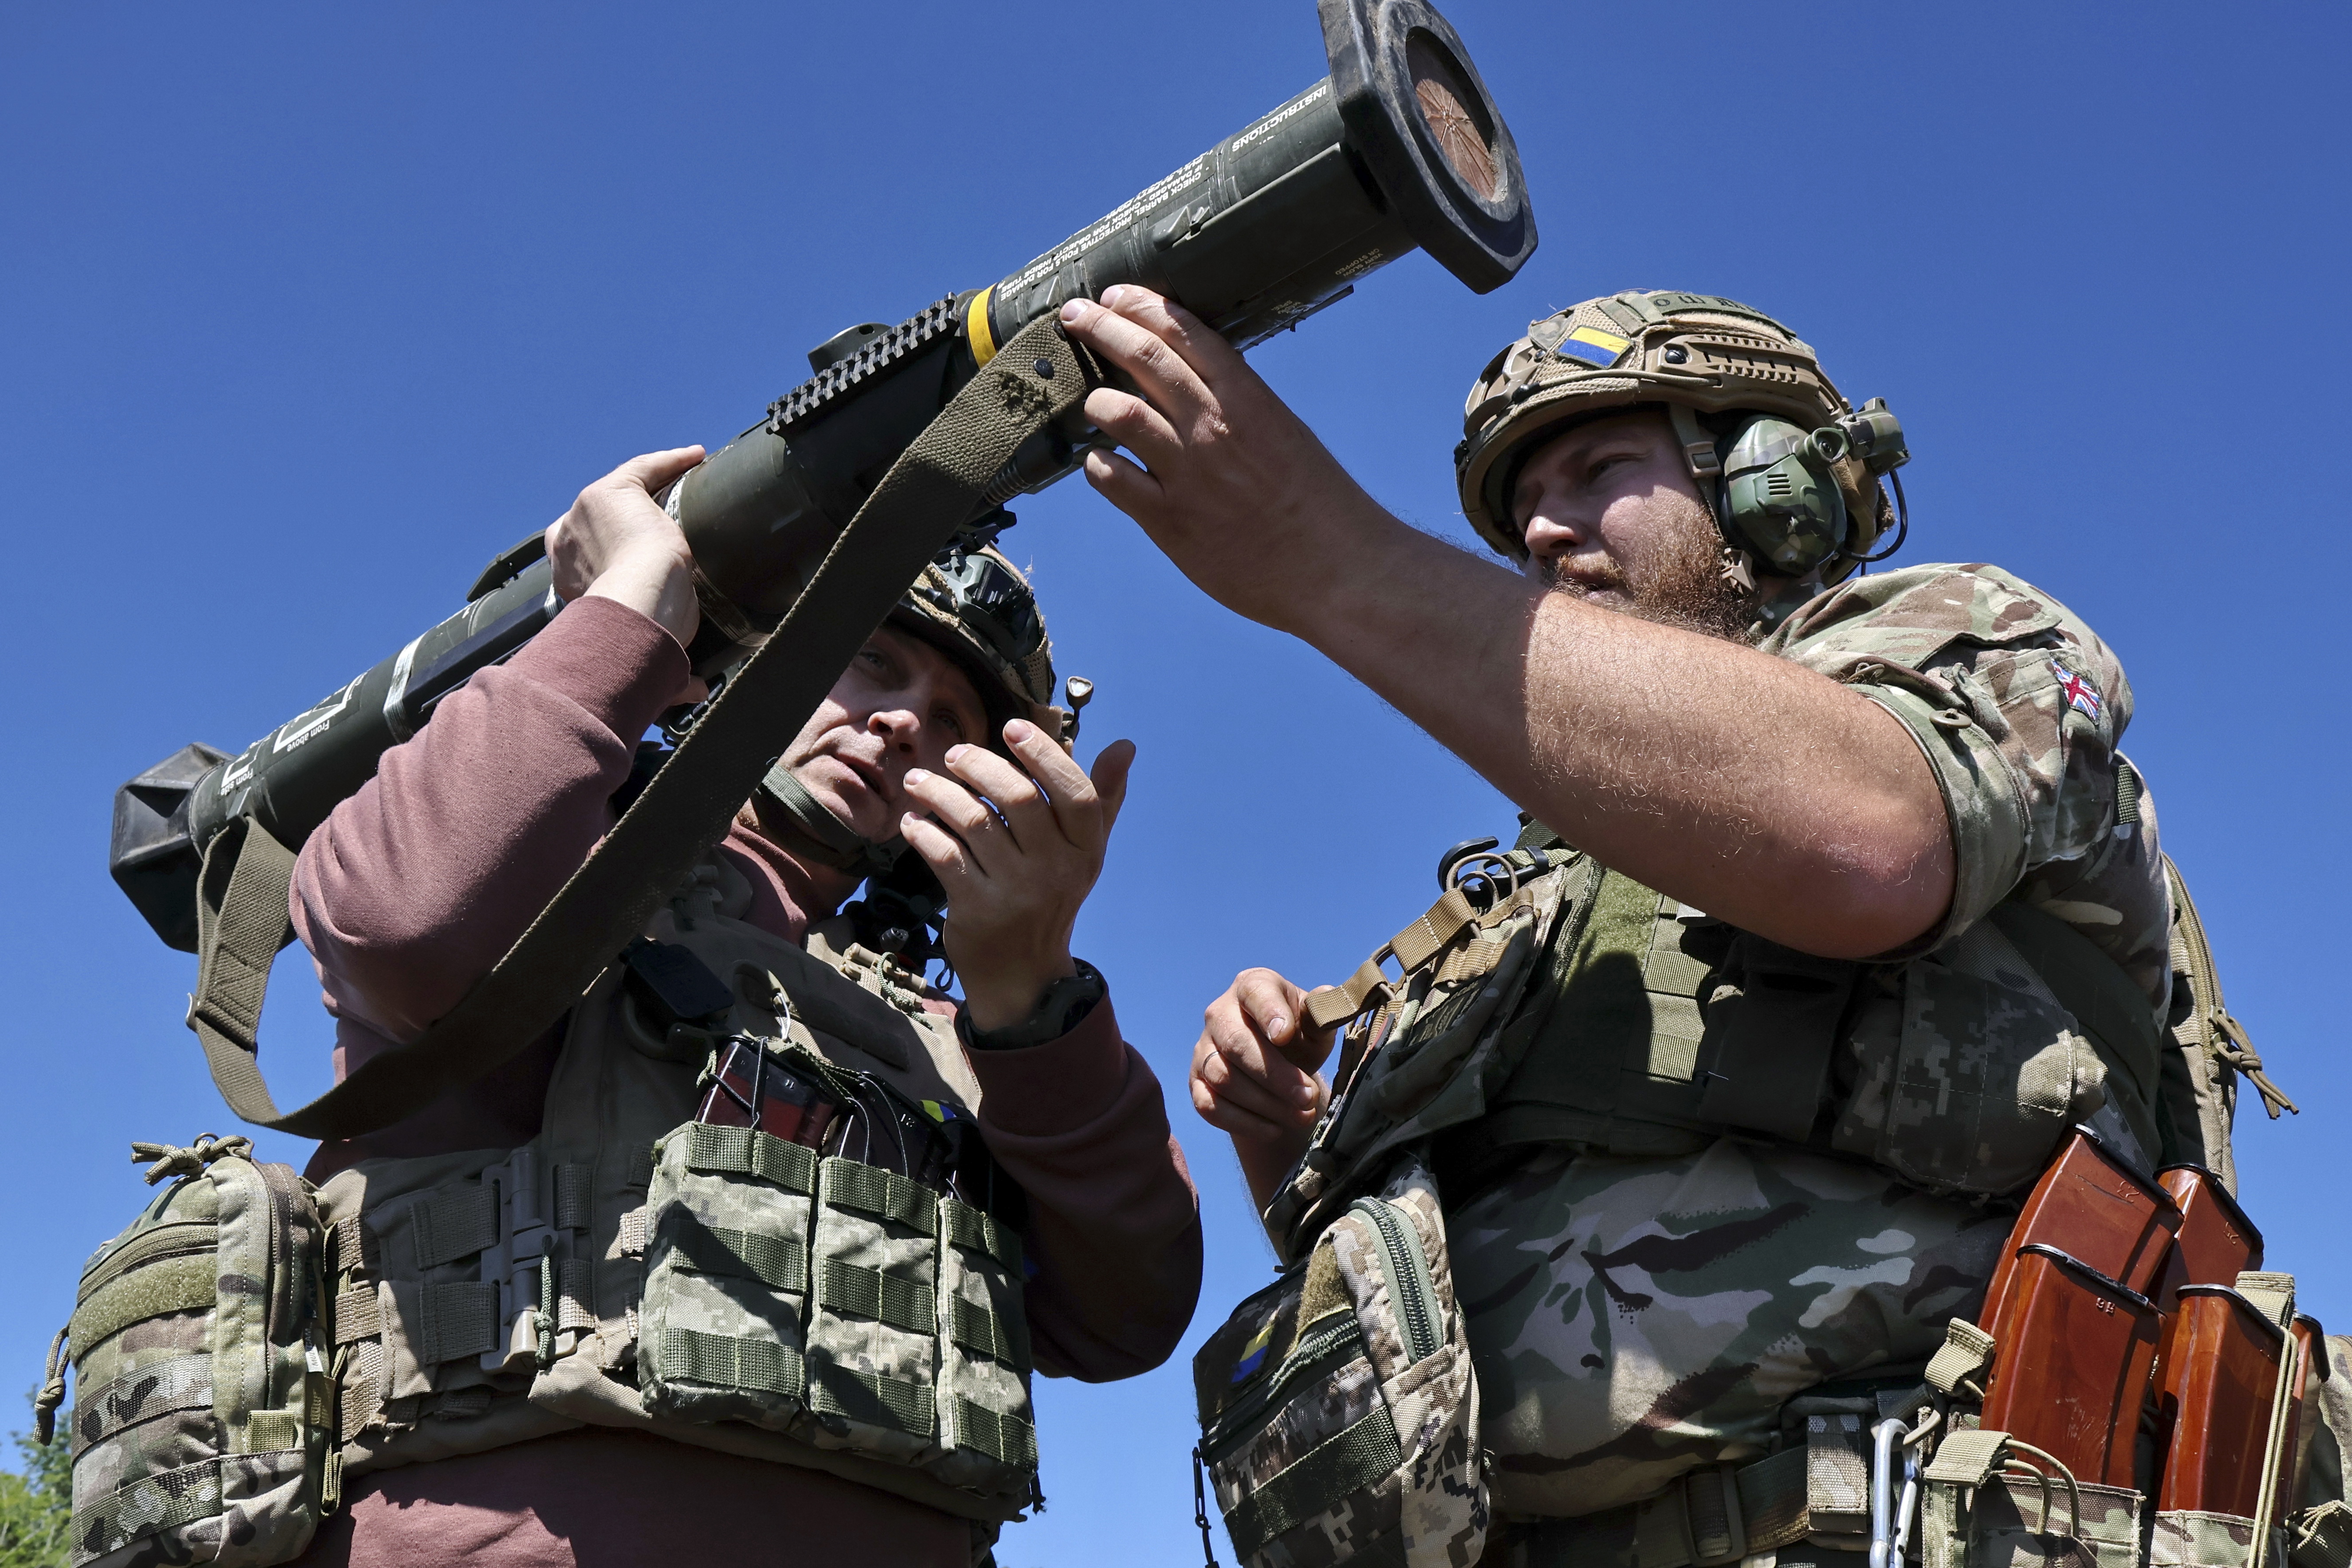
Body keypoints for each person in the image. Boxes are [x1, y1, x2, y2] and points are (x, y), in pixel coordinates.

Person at [1056, 285, 2207, 1563]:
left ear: (1773, 485)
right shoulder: (1537, 898)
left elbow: (1871, 841)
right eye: (1519, 515)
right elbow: (1414, 1294)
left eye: (1598, 468)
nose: (1544, 530)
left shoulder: (1962, 640)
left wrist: (1329, 557)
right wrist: (1286, 1136)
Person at [287, 445, 1202, 1567]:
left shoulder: (966, 1031)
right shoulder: (554, 871)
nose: (904, 722)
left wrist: (1031, 991)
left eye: (953, 714)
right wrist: (631, 612)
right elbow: (398, 919)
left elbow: (1127, 1313)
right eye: (870, 661)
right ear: (744, 660)